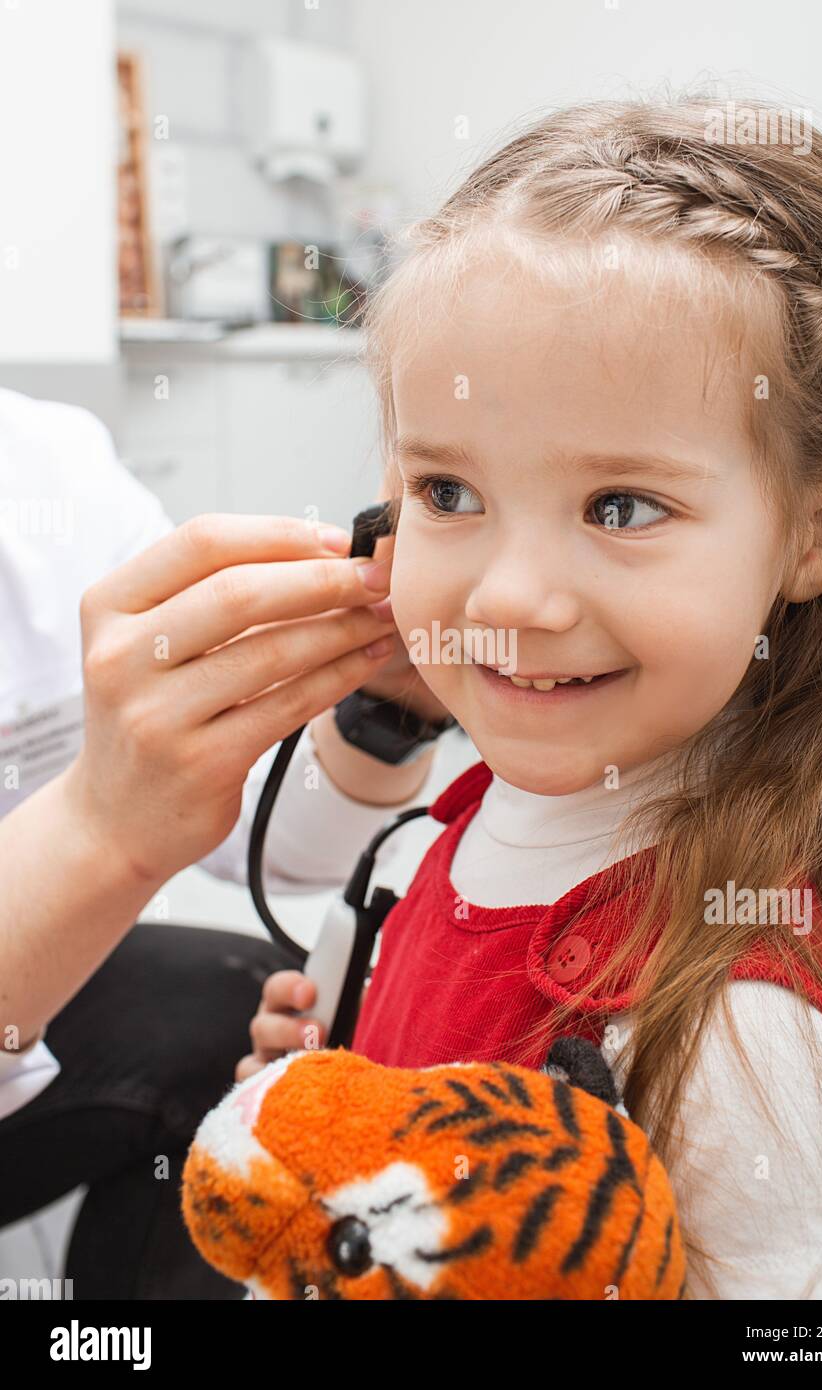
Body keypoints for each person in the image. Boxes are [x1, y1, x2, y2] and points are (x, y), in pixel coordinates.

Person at [248, 98, 822, 1299]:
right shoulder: (455, 826)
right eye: (448, 491)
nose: (511, 597)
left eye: (621, 508)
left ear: (821, 530)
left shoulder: (733, 1030)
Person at [0, 384, 466, 1297]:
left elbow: (244, 811)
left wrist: (385, 705)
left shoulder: (48, 464)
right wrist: (99, 825)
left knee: (247, 1024)